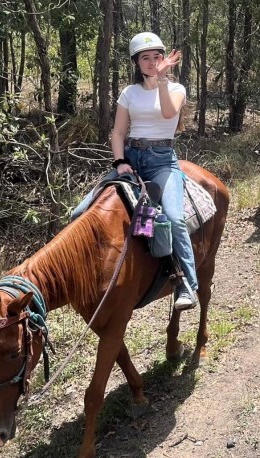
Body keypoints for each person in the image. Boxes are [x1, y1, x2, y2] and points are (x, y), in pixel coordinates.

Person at [110, 32, 197, 310]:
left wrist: (161, 79)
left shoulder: (176, 89)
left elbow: (170, 114)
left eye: (156, 57)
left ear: (164, 60)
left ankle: (186, 284)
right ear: (137, 63)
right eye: (145, 58)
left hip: (162, 161)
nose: (151, 62)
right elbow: (119, 132)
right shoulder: (129, 93)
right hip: (132, 158)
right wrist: (119, 161)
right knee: (83, 211)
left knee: (173, 217)